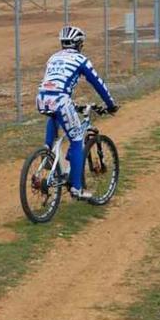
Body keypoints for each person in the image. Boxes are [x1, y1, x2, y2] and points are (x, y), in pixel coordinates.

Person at [35, 26, 119, 201]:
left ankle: (47, 150)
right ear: (79, 44)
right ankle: (77, 188)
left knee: (55, 115)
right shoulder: (80, 59)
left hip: (42, 97)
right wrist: (111, 104)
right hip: (61, 99)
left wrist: (72, 104)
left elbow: (56, 82)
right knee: (76, 140)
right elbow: (98, 83)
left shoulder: (53, 57)